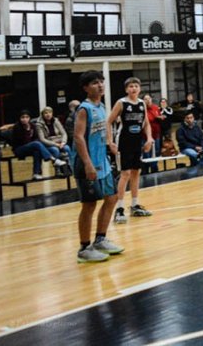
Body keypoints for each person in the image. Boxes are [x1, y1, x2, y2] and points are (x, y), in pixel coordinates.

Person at [71, 71, 124, 263]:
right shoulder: (84, 109)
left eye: (101, 82)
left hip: (102, 162)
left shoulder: (101, 107)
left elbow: (103, 130)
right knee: (90, 204)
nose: (100, 85)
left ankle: (100, 239)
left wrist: (109, 143)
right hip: (87, 163)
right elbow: (78, 137)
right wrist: (88, 164)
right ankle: (84, 248)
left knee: (112, 198)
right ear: (86, 87)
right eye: (95, 83)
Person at [108, 77, 153, 223]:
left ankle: (134, 205)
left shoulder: (141, 104)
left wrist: (149, 138)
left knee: (136, 172)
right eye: (131, 86)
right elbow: (108, 122)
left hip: (136, 142)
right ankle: (119, 208)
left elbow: (146, 123)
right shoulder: (121, 103)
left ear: (139, 89)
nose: (134, 88)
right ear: (126, 89)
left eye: (136, 86)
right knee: (125, 173)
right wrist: (110, 142)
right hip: (123, 142)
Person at [11, 109, 66, 180]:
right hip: (19, 149)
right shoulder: (17, 127)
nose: (25, 119)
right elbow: (23, 141)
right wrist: (27, 131)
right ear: (19, 118)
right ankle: (53, 160)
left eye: (27, 117)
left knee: (38, 151)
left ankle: (36, 173)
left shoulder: (32, 126)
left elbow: (36, 138)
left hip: (32, 147)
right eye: (22, 117)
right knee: (36, 144)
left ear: (29, 118)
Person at [142, 94, 163, 174]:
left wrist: (160, 118)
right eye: (145, 99)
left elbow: (159, 116)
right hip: (145, 136)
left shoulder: (156, 107)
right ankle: (146, 171)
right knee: (146, 154)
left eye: (149, 98)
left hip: (156, 134)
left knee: (156, 153)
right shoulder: (142, 109)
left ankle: (154, 170)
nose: (147, 100)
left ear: (151, 99)